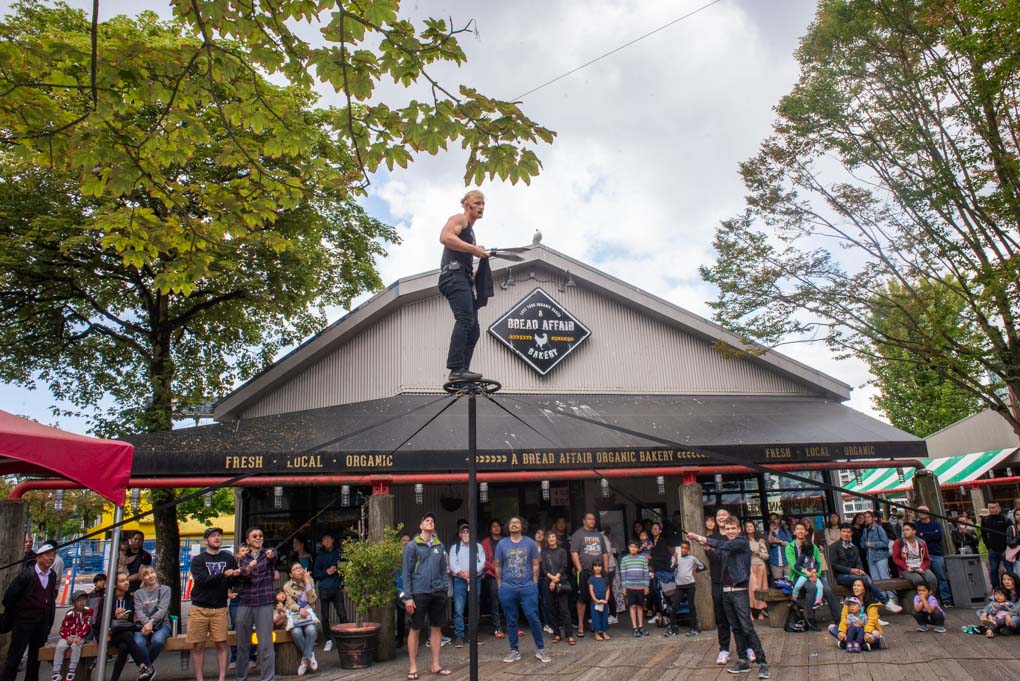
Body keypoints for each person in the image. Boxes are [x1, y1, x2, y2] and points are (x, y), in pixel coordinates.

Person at [687, 518, 769, 679]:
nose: (730, 531)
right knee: (736, 628)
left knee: (746, 627)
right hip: (726, 591)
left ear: (739, 530)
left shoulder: (741, 542)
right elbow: (718, 556)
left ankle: (762, 662)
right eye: (728, 529)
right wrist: (707, 548)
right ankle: (743, 659)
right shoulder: (727, 545)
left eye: (733, 528)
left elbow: (724, 545)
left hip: (739, 591)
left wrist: (699, 537)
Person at [437, 189, 489, 382]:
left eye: (483, 204)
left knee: (473, 329)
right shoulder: (460, 219)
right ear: (467, 205)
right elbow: (445, 237)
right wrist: (474, 249)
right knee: (465, 320)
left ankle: (462, 374)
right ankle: (456, 368)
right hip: (452, 276)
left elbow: (462, 250)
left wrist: (474, 272)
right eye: (477, 203)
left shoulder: (471, 232)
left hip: (463, 276)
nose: (481, 207)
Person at [401, 512, 451, 679]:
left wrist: (444, 589)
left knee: (436, 628)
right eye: (427, 520)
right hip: (419, 593)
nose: (430, 522)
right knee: (415, 629)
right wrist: (408, 597)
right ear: (421, 526)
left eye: (432, 521)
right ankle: (413, 666)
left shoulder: (439, 546)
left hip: (438, 592)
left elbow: (444, 570)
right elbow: (406, 573)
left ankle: (435, 664)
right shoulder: (412, 546)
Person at [1, 543, 59, 681]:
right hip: (24, 622)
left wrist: (49, 621)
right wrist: (19, 613)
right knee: (15, 655)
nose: (51, 559)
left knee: (36, 657)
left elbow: (50, 598)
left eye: (53, 556)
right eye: (47, 555)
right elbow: (9, 597)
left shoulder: (52, 575)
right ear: (39, 557)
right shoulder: (27, 574)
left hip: (42, 623)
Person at [188, 527, 240, 681]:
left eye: (219, 535)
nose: (217, 538)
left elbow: (232, 582)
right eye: (213, 536)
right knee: (197, 645)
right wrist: (223, 574)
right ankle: (199, 678)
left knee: (222, 644)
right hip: (199, 607)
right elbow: (202, 581)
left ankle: (222, 678)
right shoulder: (198, 560)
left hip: (220, 606)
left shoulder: (229, 558)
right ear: (206, 541)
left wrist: (236, 575)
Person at [495, 516, 549, 663]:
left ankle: (541, 649)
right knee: (511, 620)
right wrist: (499, 584)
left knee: (533, 618)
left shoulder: (530, 543)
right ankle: (514, 651)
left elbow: (536, 564)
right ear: (508, 526)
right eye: (511, 523)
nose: (514, 525)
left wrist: (535, 583)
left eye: (517, 522)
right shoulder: (501, 544)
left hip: (527, 587)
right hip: (507, 588)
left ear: (522, 526)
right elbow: (498, 565)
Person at [236, 527, 278, 681]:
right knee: (242, 644)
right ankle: (241, 677)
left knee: (266, 644)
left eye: (260, 535)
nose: (258, 538)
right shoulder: (243, 557)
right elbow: (240, 576)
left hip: (264, 601)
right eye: (254, 536)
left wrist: (271, 555)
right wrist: (248, 569)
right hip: (245, 602)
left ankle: (268, 678)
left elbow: (274, 557)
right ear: (248, 540)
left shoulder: (268, 554)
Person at [828, 524, 902, 613]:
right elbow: (834, 565)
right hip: (842, 576)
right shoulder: (834, 547)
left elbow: (859, 562)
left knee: (864, 582)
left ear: (851, 533)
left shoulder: (854, 547)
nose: (846, 534)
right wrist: (851, 570)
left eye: (848, 532)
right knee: (864, 580)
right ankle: (885, 603)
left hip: (855, 575)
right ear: (840, 532)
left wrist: (860, 570)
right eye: (843, 532)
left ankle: (871, 615)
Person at [785, 521, 842, 629]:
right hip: (799, 575)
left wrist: (816, 573)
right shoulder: (789, 547)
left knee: (828, 590)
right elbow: (793, 565)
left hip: (815, 574)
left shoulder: (813, 546)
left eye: (802, 529)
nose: (800, 531)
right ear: (794, 532)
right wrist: (807, 574)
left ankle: (838, 618)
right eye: (797, 529)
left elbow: (819, 562)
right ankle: (811, 619)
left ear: (806, 532)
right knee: (811, 588)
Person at [108, 570, 155, 681]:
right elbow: (100, 621)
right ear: (115, 584)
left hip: (124, 634)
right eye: (122, 581)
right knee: (128, 635)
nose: (126, 583)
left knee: (124, 647)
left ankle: (114, 679)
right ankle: (142, 666)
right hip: (111, 634)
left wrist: (125, 617)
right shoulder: (108, 599)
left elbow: (129, 621)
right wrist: (114, 616)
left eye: (127, 580)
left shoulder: (130, 599)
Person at [569, 511, 608, 639]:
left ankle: (598, 626)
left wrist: (605, 570)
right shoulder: (578, 534)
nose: (592, 521)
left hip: (599, 572)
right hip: (585, 572)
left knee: (598, 598)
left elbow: (604, 553)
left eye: (594, 519)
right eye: (589, 519)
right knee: (582, 599)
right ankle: (580, 626)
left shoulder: (599, 535)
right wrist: (579, 568)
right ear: (584, 521)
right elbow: (574, 552)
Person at [448, 522, 485, 648]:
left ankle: (474, 635)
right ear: (459, 534)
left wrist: (471, 573)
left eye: (467, 531)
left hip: (475, 579)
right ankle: (459, 636)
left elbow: (482, 562)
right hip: (459, 581)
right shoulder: (455, 548)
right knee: (459, 608)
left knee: (474, 607)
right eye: (463, 532)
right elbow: (452, 563)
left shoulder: (478, 546)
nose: (465, 533)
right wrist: (462, 573)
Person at [705, 508, 734, 666]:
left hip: (734, 581)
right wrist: (708, 549)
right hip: (718, 581)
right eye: (719, 516)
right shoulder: (711, 538)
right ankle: (724, 649)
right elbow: (712, 558)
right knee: (721, 617)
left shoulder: (734, 536)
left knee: (738, 617)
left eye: (724, 514)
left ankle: (746, 647)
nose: (722, 517)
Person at [828, 578, 885, 651]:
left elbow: (872, 621)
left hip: (865, 630)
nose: (855, 587)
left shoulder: (873, 603)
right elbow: (844, 617)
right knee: (831, 627)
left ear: (864, 589)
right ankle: (861, 645)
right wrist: (842, 631)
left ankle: (846, 644)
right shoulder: (849, 600)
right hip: (851, 630)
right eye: (854, 585)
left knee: (876, 634)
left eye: (858, 586)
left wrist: (867, 632)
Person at [282, 562, 319, 675]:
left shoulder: (310, 580)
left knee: (311, 630)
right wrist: (299, 609)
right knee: (296, 632)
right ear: (291, 574)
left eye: (300, 567)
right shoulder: (287, 586)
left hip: (308, 613)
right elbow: (289, 604)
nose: (299, 570)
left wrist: (307, 582)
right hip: (295, 614)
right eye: (295, 568)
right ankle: (309, 655)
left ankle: (304, 660)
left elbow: (312, 600)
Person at [133, 566, 172, 670]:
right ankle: (149, 669)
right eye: (146, 574)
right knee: (139, 643)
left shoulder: (165, 589)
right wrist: (147, 624)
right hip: (143, 625)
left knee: (158, 641)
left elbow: (162, 610)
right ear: (143, 578)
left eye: (152, 572)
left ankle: (144, 669)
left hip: (161, 624)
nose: (150, 576)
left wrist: (151, 622)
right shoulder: (138, 593)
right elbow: (139, 612)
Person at [312, 531, 344, 653]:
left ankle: (344, 638)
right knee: (325, 617)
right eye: (324, 539)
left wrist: (338, 570)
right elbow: (315, 574)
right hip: (324, 589)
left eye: (329, 538)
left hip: (336, 588)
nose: (327, 541)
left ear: (333, 540)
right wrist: (326, 572)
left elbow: (346, 567)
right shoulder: (320, 556)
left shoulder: (339, 553)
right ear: (322, 542)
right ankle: (328, 640)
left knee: (342, 615)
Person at [914, 505, 953, 606]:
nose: (921, 512)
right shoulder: (916, 525)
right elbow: (918, 538)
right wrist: (931, 535)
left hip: (936, 554)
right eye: (919, 511)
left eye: (924, 511)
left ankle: (946, 601)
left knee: (941, 578)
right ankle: (929, 601)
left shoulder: (936, 524)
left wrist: (924, 535)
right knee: (926, 579)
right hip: (922, 556)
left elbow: (938, 536)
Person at [665, 539, 704, 637]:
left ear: (689, 550)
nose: (684, 550)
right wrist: (676, 563)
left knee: (691, 606)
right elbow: (671, 571)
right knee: (674, 606)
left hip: (690, 585)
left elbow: (703, 567)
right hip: (679, 586)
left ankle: (694, 628)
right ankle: (673, 627)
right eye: (682, 548)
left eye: (686, 548)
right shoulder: (675, 557)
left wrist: (696, 569)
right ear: (679, 548)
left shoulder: (692, 558)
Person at [541, 531, 574, 644]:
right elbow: (544, 569)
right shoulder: (544, 552)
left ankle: (569, 635)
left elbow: (564, 566)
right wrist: (552, 579)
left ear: (556, 538)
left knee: (564, 609)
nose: (551, 538)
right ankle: (556, 634)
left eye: (553, 536)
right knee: (551, 609)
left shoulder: (562, 551)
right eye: (549, 536)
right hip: (548, 582)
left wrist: (555, 580)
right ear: (547, 539)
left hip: (561, 582)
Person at [51, 590, 91, 681]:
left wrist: (80, 636)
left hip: (79, 636)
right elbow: (63, 627)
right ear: (74, 602)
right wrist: (66, 636)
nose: (82, 602)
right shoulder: (69, 613)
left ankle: (72, 669)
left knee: (76, 646)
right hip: (68, 635)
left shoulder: (87, 612)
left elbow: (87, 626)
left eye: (84, 600)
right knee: (60, 646)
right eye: (79, 600)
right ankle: (56, 671)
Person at [859, 511, 897, 607]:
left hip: (880, 555)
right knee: (875, 578)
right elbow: (862, 543)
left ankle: (891, 597)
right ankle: (882, 598)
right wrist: (864, 544)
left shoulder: (878, 528)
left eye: (868, 517)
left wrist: (872, 544)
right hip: (870, 556)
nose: (866, 519)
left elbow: (885, 542)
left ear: (872, 518)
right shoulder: (865, 530)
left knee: (884, 576)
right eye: (865, 517)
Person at [891, 521, 938, 594]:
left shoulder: (922, 543)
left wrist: (922, 567)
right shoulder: (899, 542)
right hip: (906, 569)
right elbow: (895, 558)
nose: (904, 532)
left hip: (920, 567)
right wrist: (906, 567)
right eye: (904, 530)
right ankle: (920, 598)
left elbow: (926, 559)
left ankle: (930, 596)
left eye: (907, 530)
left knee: (932, 578)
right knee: (918, 580)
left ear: (914, 531)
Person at [619, 539, 650, 638]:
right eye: (631, 546)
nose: (633, 549)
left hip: (640, 587)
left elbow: (646, 574)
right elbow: (623, 575)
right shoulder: (624, 559)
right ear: (628, 547)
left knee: (640, 606)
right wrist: (624, 588)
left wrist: (646, 586)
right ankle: (635, 627)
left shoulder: (642, 559)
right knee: (632, 607)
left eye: (635, 547)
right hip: (630, 587)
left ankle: (641, 626)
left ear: (638, 548)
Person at [480, 519, 504, 638]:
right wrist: (494, 568)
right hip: (492, 575)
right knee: (495, 601)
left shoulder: (506, 541)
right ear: (490, 529)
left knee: (509, 600)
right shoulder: (485, 542)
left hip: (507, 574)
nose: (496, 528)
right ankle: (497, 627)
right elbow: (482, 559)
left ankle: (512, 626)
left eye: (498, 526)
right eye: (493, 526)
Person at [745, 521, 770, 620]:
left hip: (760, 566)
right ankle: (750, 612)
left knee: (761, 588)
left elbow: (766, 556)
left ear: (754, 528)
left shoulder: (760, 541)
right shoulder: (744, 541)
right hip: (749, 567)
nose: (749, 528)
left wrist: (758, 553)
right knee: (751, 589)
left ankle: (760, 612)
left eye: (751, 526)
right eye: (747, 526)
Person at [981, 502, 1009, 588]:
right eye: (990, 508)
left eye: (993, 508)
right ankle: (996, 589)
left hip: (1005, 549)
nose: (991, 510)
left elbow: (1011, 533)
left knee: (1009, 570)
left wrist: (1008, 548)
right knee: (993, 570)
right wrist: (988, 546)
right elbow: (984, 534)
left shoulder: (1005, 519)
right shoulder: (985, 520)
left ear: (999, 508)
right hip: (993, 549)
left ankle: (1011, 587)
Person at [586, 563, 611, 640]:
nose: (597, 568)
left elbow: (607, 589)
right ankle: (596, 633)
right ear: (593, 567)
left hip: (604, 601)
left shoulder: (605, 578)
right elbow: (591, 590)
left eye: (599, 566)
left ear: (602, 567)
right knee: (596, 617)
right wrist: (595, 599)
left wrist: (606, 600)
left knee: (604, 616)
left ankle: (604, 632)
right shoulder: (591, 578)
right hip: (595, 602)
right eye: (595, 566)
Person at [765, 514, 791, 582]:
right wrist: (771, 531)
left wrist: (779, 542)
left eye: (775, 519)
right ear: (768, 521)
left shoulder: (785, 531)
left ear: (778, 520)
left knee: (789, 583)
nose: (773, 521)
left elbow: (789, 544)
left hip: (786, 561)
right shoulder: (767, 533)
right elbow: (768, 543)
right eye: (771, 519)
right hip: (774, 563)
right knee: (778, 584)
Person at [85, 573, 107, 642]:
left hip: (101, 622)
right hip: (91, 622)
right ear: (95, 583)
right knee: (87, 641)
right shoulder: (90, 595)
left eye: (104, 581)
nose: (103, 583)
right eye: (100, 581)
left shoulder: (106, 594)